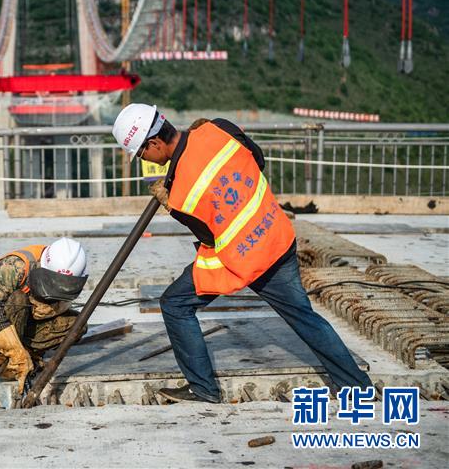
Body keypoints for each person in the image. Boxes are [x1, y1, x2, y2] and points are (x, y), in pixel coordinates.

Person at [112, 103, 373, 403]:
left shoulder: (182, 192)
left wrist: (172, 206)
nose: (146, 160)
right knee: (305, 318)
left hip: (249, 258)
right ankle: (357, 386)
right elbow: (257, 160)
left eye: (142, 153)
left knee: (174, 304)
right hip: (277, 235)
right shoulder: (218, 127)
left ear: (154, 142)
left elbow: (208, 236)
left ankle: (203, 388)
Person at [0, 238, 89, 393]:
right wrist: (15, 353)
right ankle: (2, 361)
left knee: (77, 325)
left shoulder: (60, 271)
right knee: (18, 299)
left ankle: (29, 354)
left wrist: (51, 309)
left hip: (22, 317)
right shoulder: (16, 265)